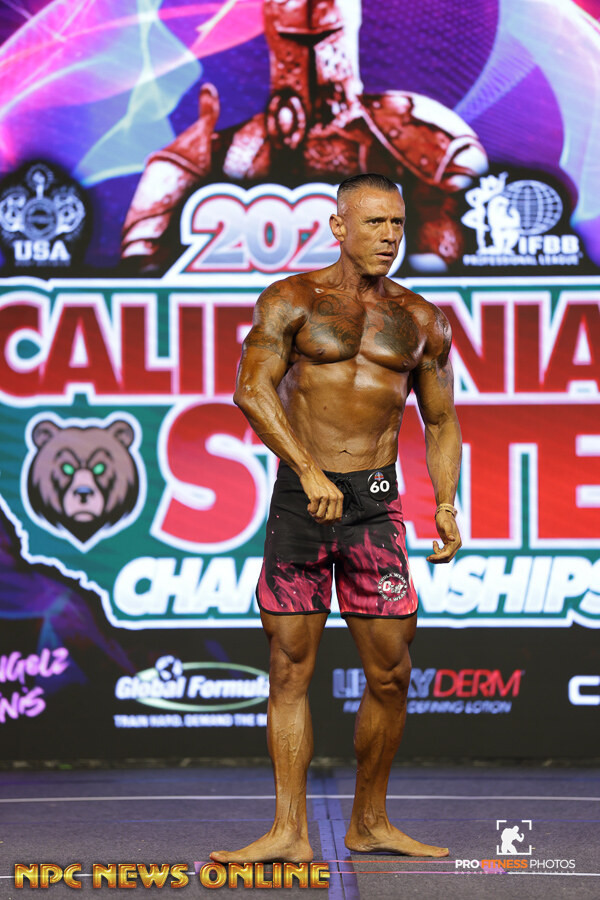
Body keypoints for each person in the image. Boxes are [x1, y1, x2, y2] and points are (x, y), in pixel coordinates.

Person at [210, 173, 462, 864]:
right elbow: (251, 389)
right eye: (375, 222)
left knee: (391, 672)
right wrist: (308, 469)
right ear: (339, 226)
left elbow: (441, 421)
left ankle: (369, 822)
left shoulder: (422, 319)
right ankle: (288, 831)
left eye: (397, 224)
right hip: (303, 501)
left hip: (375, 507)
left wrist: (445, 503)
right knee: (289, 667)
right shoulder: (292, 299)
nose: (389, 236)